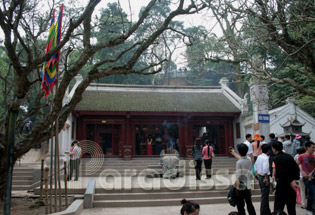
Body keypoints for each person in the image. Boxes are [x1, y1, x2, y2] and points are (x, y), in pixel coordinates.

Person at [272, 141, 300, 215]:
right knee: (291, 208)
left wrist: (291, 181)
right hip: (291, 186)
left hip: (282, 185)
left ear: (274, 149)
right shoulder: (289, 156)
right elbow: (296, 168)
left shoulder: (276, 158)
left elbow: (282, 172)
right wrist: (294, 180)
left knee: (278, 208)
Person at [234, 143, 256, 215]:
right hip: (248, 184)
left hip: (241, 185)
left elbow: (238, 176)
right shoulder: (249, 159)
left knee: (240, 204)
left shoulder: (239, 163)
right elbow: (243, 158)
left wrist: (237, 188)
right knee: (249, 203)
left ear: (239, 152)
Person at [297, 141, 315, 215]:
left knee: (311, 193)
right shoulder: (302, 156)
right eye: (312, 147)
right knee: (312, 191)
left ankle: (309, 208)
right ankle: (309, 208)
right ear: (307, 147)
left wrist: (311, 173)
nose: (314, 149)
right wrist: (303, 172)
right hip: (305, 177)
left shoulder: (314, 156)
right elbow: (297, 165)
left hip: (313, 176)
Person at [254, 144, 271, 215]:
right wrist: (266, 178)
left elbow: (255, 166)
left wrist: (258, 173)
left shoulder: (259, 157)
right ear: (268, 150)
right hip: (264, 176)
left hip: (260, 176)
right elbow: (265, 169)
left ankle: (266, 210)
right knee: (265, 195)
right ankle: (264, 211)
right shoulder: (266, 158)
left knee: (264, 193)